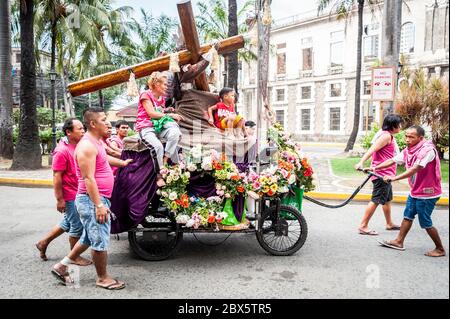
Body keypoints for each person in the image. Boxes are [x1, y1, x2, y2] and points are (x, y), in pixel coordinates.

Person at [51, 108, 132, 289]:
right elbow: (88, 179)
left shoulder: (95, 142)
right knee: (100, 240)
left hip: (96, 199)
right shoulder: (87, 146)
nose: (109, 123)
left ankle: (61, 266)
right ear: (93, 124)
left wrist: (123, 163)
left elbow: (104, 159)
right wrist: (99, 204)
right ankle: (102, 278)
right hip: (91, 200)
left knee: (88, 237)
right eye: (104, 120)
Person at [370, 125, 444, 257]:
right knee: (407, 215)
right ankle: (399, 241)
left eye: (411, 137)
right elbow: (393, 160)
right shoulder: (409, 150)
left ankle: (440, 249)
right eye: (406, 136)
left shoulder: (427, 151)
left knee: (425, 221)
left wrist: (394, 178)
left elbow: (415, 168)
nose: (407, 139)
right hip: (416, 191)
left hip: (428, 193)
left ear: (420, 138)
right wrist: (374, 168)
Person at [35, 118, 91, 266]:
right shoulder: (61, 151)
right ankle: (74, 257)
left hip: (78, 191)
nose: (83, 131)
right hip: (70, 195)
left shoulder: (78, 145)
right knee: (77, 225)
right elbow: (56, 177)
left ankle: (43, 242)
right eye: (79, 129)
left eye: (83, 128)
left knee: (67, 222)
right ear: (68, 132)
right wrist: (60, 199)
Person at [354, 114, 402, 235]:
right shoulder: (385, 136)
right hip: (382, 175)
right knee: (376, 200)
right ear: (393, 126)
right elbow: (372, 150)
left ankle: (389, 223)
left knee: (387, 200)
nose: (401, 126)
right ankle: (363, 226)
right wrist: (361, 162)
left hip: (387, 174)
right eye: (399, 124)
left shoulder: (388, 135)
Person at [135, 71, 183, 187]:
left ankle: (166, 159)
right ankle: (159, 175)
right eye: (165, 85)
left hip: (159, 127)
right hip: (146, 127)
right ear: (156, 84)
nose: (167, 87)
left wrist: (167, 111)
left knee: (175, 132)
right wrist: (170, 115)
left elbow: (159, 111)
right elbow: (151, 113)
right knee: (157, 146)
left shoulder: (161, 98)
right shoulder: (145, 95)